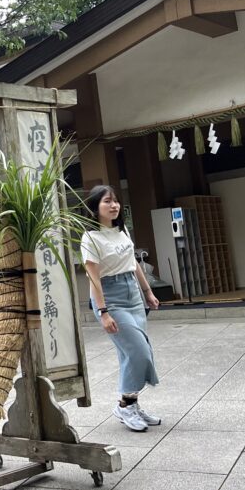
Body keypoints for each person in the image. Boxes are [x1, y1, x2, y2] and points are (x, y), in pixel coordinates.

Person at [81, 185, 161, 433]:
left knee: (131, 353)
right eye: (107, 201)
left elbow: (133, 263)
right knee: (139, 351)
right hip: (110, 296)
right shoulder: (90, 237)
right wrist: (103, 312)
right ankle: (125, 405)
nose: (114, 205)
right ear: (95, 207)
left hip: (133, 294)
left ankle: (132, 405)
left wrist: (147, 291)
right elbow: (93, 278)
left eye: (115, 201)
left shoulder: (122, 230)